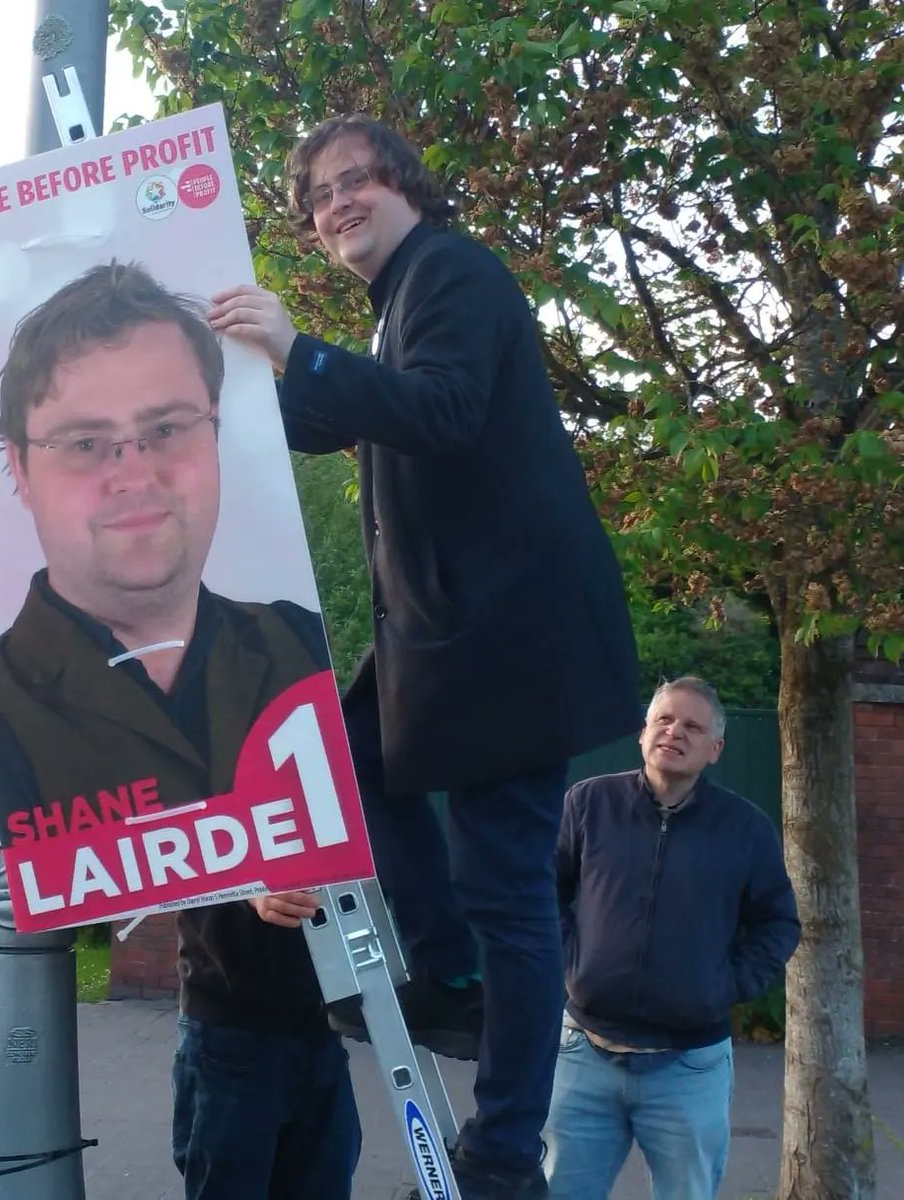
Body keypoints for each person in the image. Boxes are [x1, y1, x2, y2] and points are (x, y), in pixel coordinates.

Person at [209, 115, 642, 1200]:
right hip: (452, 633)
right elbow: (346, 414)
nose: (337, 203)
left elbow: (439, 411)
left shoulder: (451, 271)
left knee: (509, 891)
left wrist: (297, 349)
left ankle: (501, 1159)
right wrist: (229, 388)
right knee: (346, 761)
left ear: (406, 186)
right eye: (319, 195)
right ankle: (445, 971)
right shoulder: (401, 302)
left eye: (356, 181)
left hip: (506, 631)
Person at [0, 260, 361, 1200]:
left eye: (166, 429)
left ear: (218, 438)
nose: (135, 474)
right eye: (84, 442)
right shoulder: (11, 704)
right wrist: (242, 889)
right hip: (233, 1029)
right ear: (20, 470)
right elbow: (101, 886)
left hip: (338, 1027)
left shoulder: (294, 643)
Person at [545, 677, 800, 1200]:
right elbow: (544, 893)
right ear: (643, 733)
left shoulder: (744, 829)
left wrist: (724, 985)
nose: (674, 732)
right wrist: (571, 960)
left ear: (715, 749)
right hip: (584, 1056)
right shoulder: (588, 804)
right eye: (663, 720)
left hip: (689, 1067)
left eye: (692, 726)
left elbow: (779, 923)